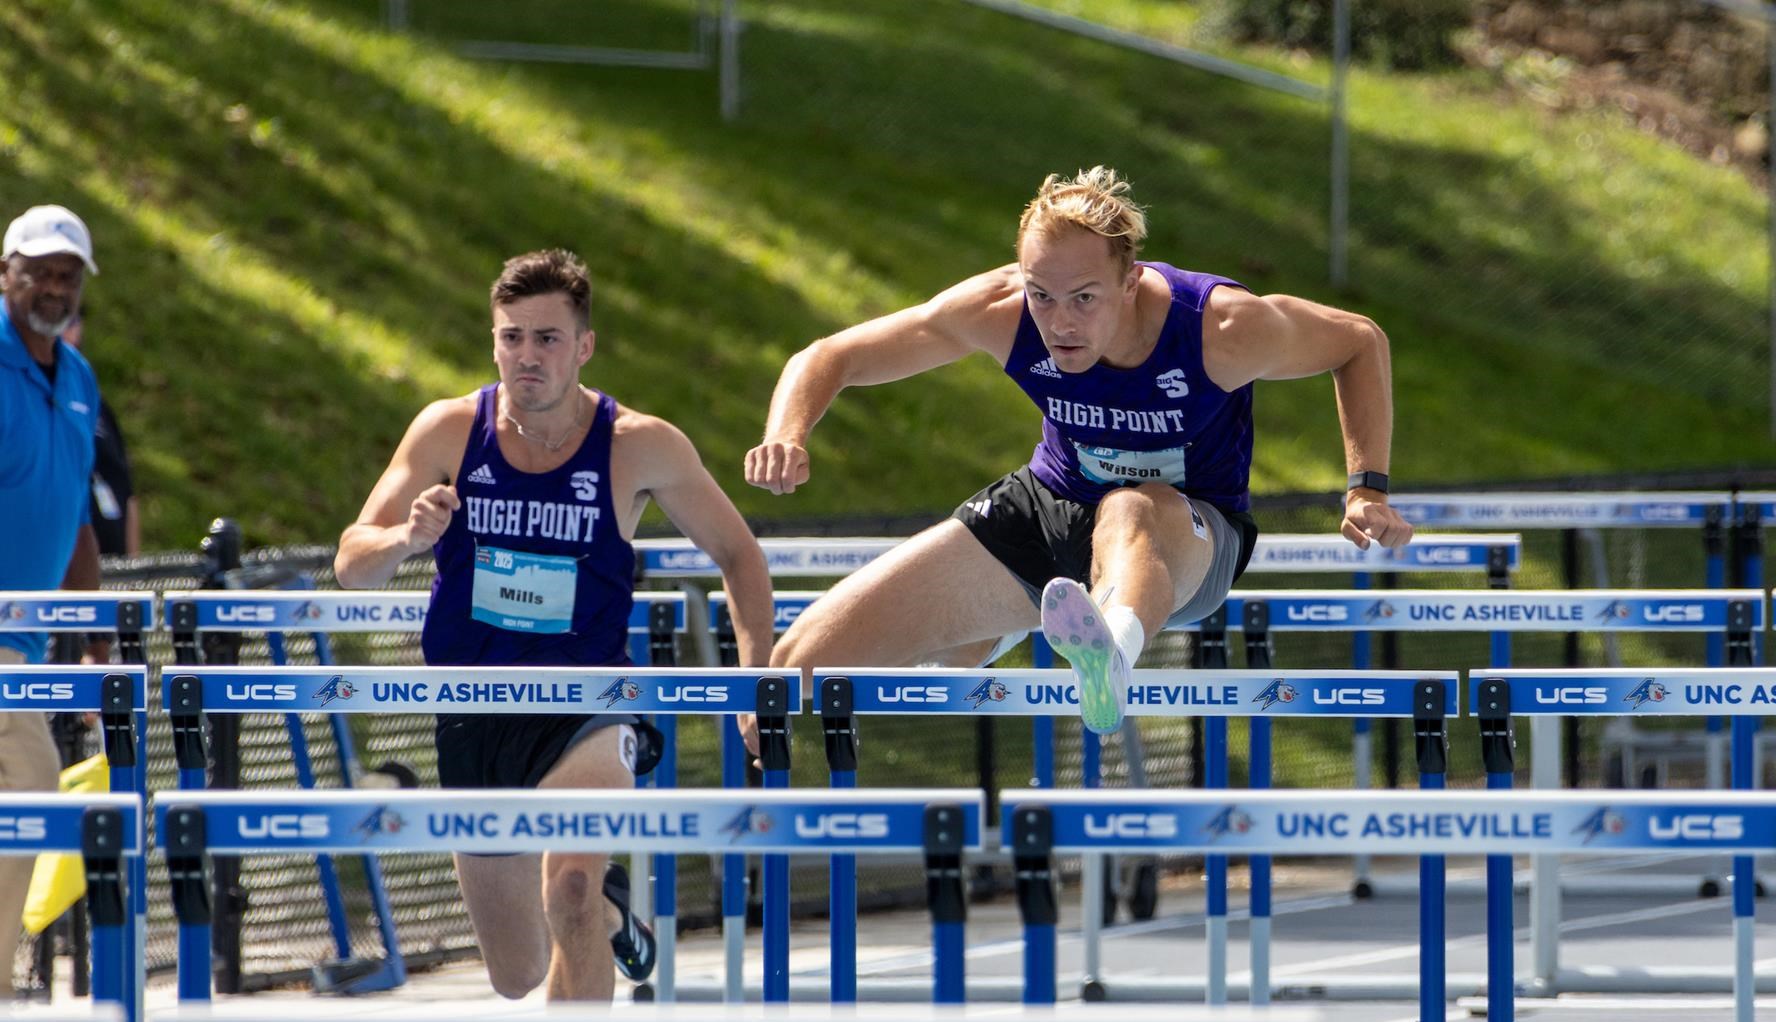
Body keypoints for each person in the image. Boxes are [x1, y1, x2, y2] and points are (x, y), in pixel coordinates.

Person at [746, 167, 1411, 736]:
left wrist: (1367, 488)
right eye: (1042, 295)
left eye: (1084, 298)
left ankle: (1108, 656)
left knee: (1130, 507)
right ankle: (1006, 628)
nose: (1060, 321)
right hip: (1051, 506)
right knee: (790, 671)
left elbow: (1358, 341)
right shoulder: (1001, 310)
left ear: (1131, 282)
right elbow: (830, 355)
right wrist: (786, 433)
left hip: (1188, 537)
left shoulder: (1221, 327)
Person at [334, 249, 774, 1002]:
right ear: (493, 342)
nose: (527, 356)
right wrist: (407, 538)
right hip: (475, 706)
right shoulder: (448, 430)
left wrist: (754, 682)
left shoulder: (638, 444)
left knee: (568, 886)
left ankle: (590, 900)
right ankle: (612, 912)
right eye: (512, 337)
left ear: (584, 346)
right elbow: (351, 563)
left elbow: (739, 554)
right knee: (518, 975)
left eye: (547, 339)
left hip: (588, 703)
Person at [0, 204, 104, 993]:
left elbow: (76, 518)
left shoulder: (78, 378)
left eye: (68, 276)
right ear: (6, 274)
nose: (54, 287)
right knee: (33, 787)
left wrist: (96, 633)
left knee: (28, 801)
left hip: (29, 642)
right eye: (39, 272)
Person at [61, 304, 141, 556]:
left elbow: (127, 491)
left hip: (114, 564)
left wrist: (133, 564)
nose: (67, 330)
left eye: (72, 320)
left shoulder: (92, 398)